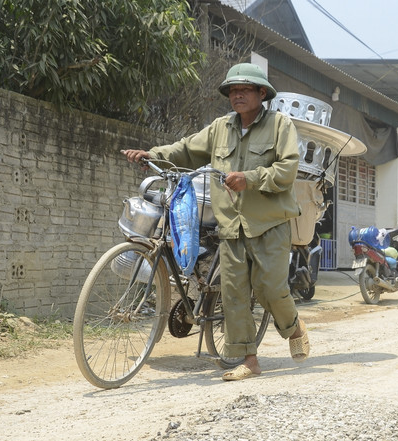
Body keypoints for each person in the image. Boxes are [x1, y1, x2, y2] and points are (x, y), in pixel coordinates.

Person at [122, 62, 308, 381]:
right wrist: (152, 154)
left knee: (271, 289)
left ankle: (293, 328)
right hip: (231, 224)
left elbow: (287, 169)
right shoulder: (221, 127)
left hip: (269, 222)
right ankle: (249, 360)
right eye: (232, 91)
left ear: (261, 93)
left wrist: (249, 179)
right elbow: (186, 149)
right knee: (234, 290)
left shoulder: (280, 126)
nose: (237, 95)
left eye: (244, 90)